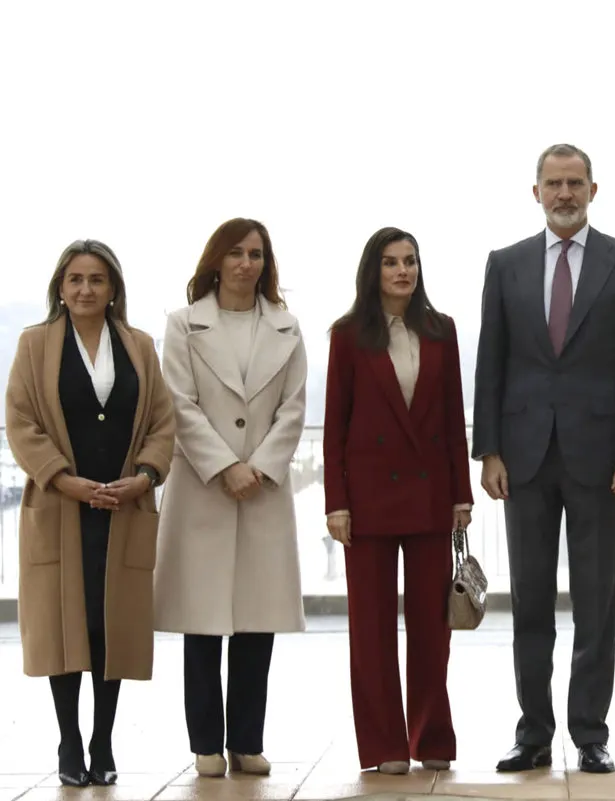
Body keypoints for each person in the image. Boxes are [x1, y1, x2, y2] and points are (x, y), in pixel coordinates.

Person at [472, 143, 615, 774]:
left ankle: (589, 734)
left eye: (575, 182)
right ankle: (532, 733)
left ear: (593, 189)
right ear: (535, 193)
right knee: (528, 602)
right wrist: (488, 449)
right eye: (553, 183)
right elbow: (490, 361)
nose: (564, 194)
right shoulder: (505, 265)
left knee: (596, 601)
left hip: (603, 458)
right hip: (522, 459)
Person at [5, 239, 175, 787]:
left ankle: (102, 738)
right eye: (75, 279)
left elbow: (162, 423)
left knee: (110, 629)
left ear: (113, 288)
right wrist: (63, 478)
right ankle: (69, 741)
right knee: (64, 628)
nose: (85, 289)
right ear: (61, 287)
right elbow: (21, 421)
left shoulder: (140, 347)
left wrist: (144, 477)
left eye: (96, 280)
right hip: (59, 507)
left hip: (123, 508)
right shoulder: (35, 346)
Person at [153, 218, 308, 778]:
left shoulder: (287, 328)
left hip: (262, 493)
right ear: (216, 260)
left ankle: (247, 741)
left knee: (255, 622)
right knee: (203, 621)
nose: (247, 263)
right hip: (203, 489)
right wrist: (224, 466)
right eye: (237, 253)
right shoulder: (182, 325)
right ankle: (205, 745)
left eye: (257, 254)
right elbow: (179, 403)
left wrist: (259, 467)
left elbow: (293, 410)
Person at [323, 227, 474, 775]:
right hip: (366, 501)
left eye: (410, 261)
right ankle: (385, 744)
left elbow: (455, 417)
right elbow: (334, 425)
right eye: (391, 263)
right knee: (371, 629)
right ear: (374, 271)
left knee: (433, 626)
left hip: (433, 495)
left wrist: (462, 494)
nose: (402, 271)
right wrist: (335, 503)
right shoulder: (347, 335)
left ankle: (431, 735)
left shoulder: (441, 330)